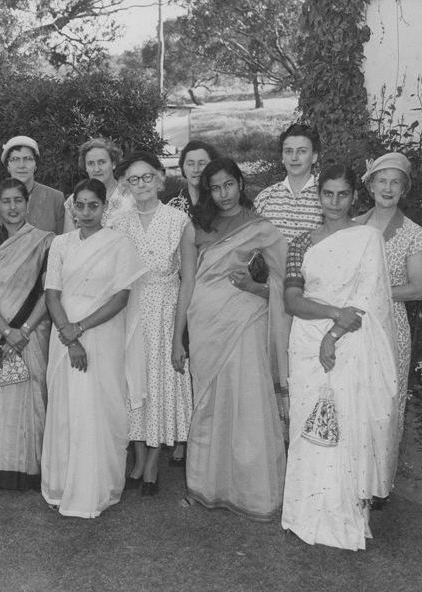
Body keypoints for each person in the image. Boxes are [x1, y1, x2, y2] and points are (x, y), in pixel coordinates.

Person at [281, 164, 398, 550]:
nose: (334, 202)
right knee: (306, 424)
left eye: (342, 194)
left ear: (354, 197)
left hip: (352, 341)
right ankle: (304, 513)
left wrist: (335, 334)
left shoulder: (367, 238)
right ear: (319, 197)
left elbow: (366, 299)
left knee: (348, 426)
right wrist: (332, 315)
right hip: (308, 341)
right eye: (327, 194)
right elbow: (292, 299)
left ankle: (346, 515)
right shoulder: (301, 242)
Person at [184, 158, 289, 521]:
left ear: (240, 184)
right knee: (209, 404)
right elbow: (187, 283)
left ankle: (252, 493)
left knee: (247, 403)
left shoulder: (262, 228)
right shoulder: (197, 226)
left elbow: (283, 284)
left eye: (229, 185)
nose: (223, 194)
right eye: (215, 187)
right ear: (207, 190)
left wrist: (254, 287)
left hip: (246, 322)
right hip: (204, 325)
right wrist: (177, 336)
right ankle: (206, 487)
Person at [41, 178, 147, 518]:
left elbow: (121, 296)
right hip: (64, 335)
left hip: (101, 335)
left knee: (100, 406)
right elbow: (52, 292)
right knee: (67, 407)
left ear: (104, 207)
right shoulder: (60, 243)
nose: (86, 212)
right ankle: (62, 484)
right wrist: (68, 335)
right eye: (80, 205)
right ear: (72, 207)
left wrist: (80, 330)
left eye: (93, 205)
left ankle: (98, 487)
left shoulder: (120, 244)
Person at [111, 152, 194, 493]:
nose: (142, 184)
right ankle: (138, 457)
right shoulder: (116, 222)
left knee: (159, 382)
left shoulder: (179, 221)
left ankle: (151, 465)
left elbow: (187, 279)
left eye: (147, 177)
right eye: (134, 179)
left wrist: (179, 336)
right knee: (132, 381)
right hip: (128, 310)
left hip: (165, 309)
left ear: (161, 178)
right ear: (125, 185)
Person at [0, 178, 54, 496]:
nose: (12, 207)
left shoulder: (46, 241)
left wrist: (26, 330)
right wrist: (7, 331)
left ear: (27, 203)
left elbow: (50, 291)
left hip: (32, 333)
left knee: (31, 399)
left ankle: (31, 471)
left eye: (18, 200)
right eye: (5, 201)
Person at [354, 152, 422, 444]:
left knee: (385, 400)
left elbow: (417, 289)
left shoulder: (413, 233)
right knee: (355, 393)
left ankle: (382, 479)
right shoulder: (354, 226)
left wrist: (376, 291)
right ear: (371, 185)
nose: (387, 188)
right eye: (382, 181)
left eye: (394, 182)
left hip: (391, 326)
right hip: (355, 321)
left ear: (404, 188)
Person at [0, 135, 65, 235]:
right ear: (8, 166)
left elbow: (63, 243)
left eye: (27, 158)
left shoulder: (55, 199)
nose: (21, 165)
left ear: (36, 165)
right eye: (15, 159)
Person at [254, 123, 323, 242]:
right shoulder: (265, 198)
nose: (294, 158)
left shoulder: (326, 196)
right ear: (282, 156)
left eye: (302, 151)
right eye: (288, 151)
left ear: (314, 157)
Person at [63, 138, 134, 232]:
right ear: (85, 168)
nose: (96, 169)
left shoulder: (131, 197)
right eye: (91, 163)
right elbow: (68, 242)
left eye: (102, 162)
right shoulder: (74, 201)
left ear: (113, 164)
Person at [166, 140, 220, 212]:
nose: (196, 170)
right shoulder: (168, 204)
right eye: (190, 164)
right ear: (183, 167)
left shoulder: (223, 202)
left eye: (202, 164)